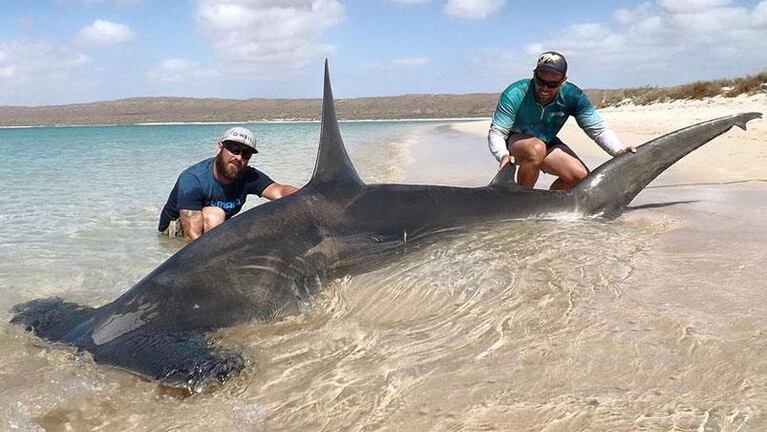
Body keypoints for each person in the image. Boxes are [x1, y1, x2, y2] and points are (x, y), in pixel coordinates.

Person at [488, 51, 635, 191]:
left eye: (552, 84)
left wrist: (618, 151)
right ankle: (519, 201)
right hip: (513, 142)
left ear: (563, 80)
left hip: (546, 141)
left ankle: (547, 204)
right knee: (535, 149)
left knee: (581, 178)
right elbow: (498, 131)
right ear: (534, 74)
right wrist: (502, 154)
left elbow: (598, 129)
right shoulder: (515, 93)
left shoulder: (573, 96)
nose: (545, 88)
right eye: (540, 81)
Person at [158, 126, 298, 242]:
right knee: (215, 215)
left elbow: (280, 192)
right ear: (220, 148)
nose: (239, 157)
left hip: (216, 227)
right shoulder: (193, 179)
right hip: (175, 230)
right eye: (234, 149)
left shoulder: (248, 175)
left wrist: (310, 196)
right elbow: (191, 237)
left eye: (246, 154)